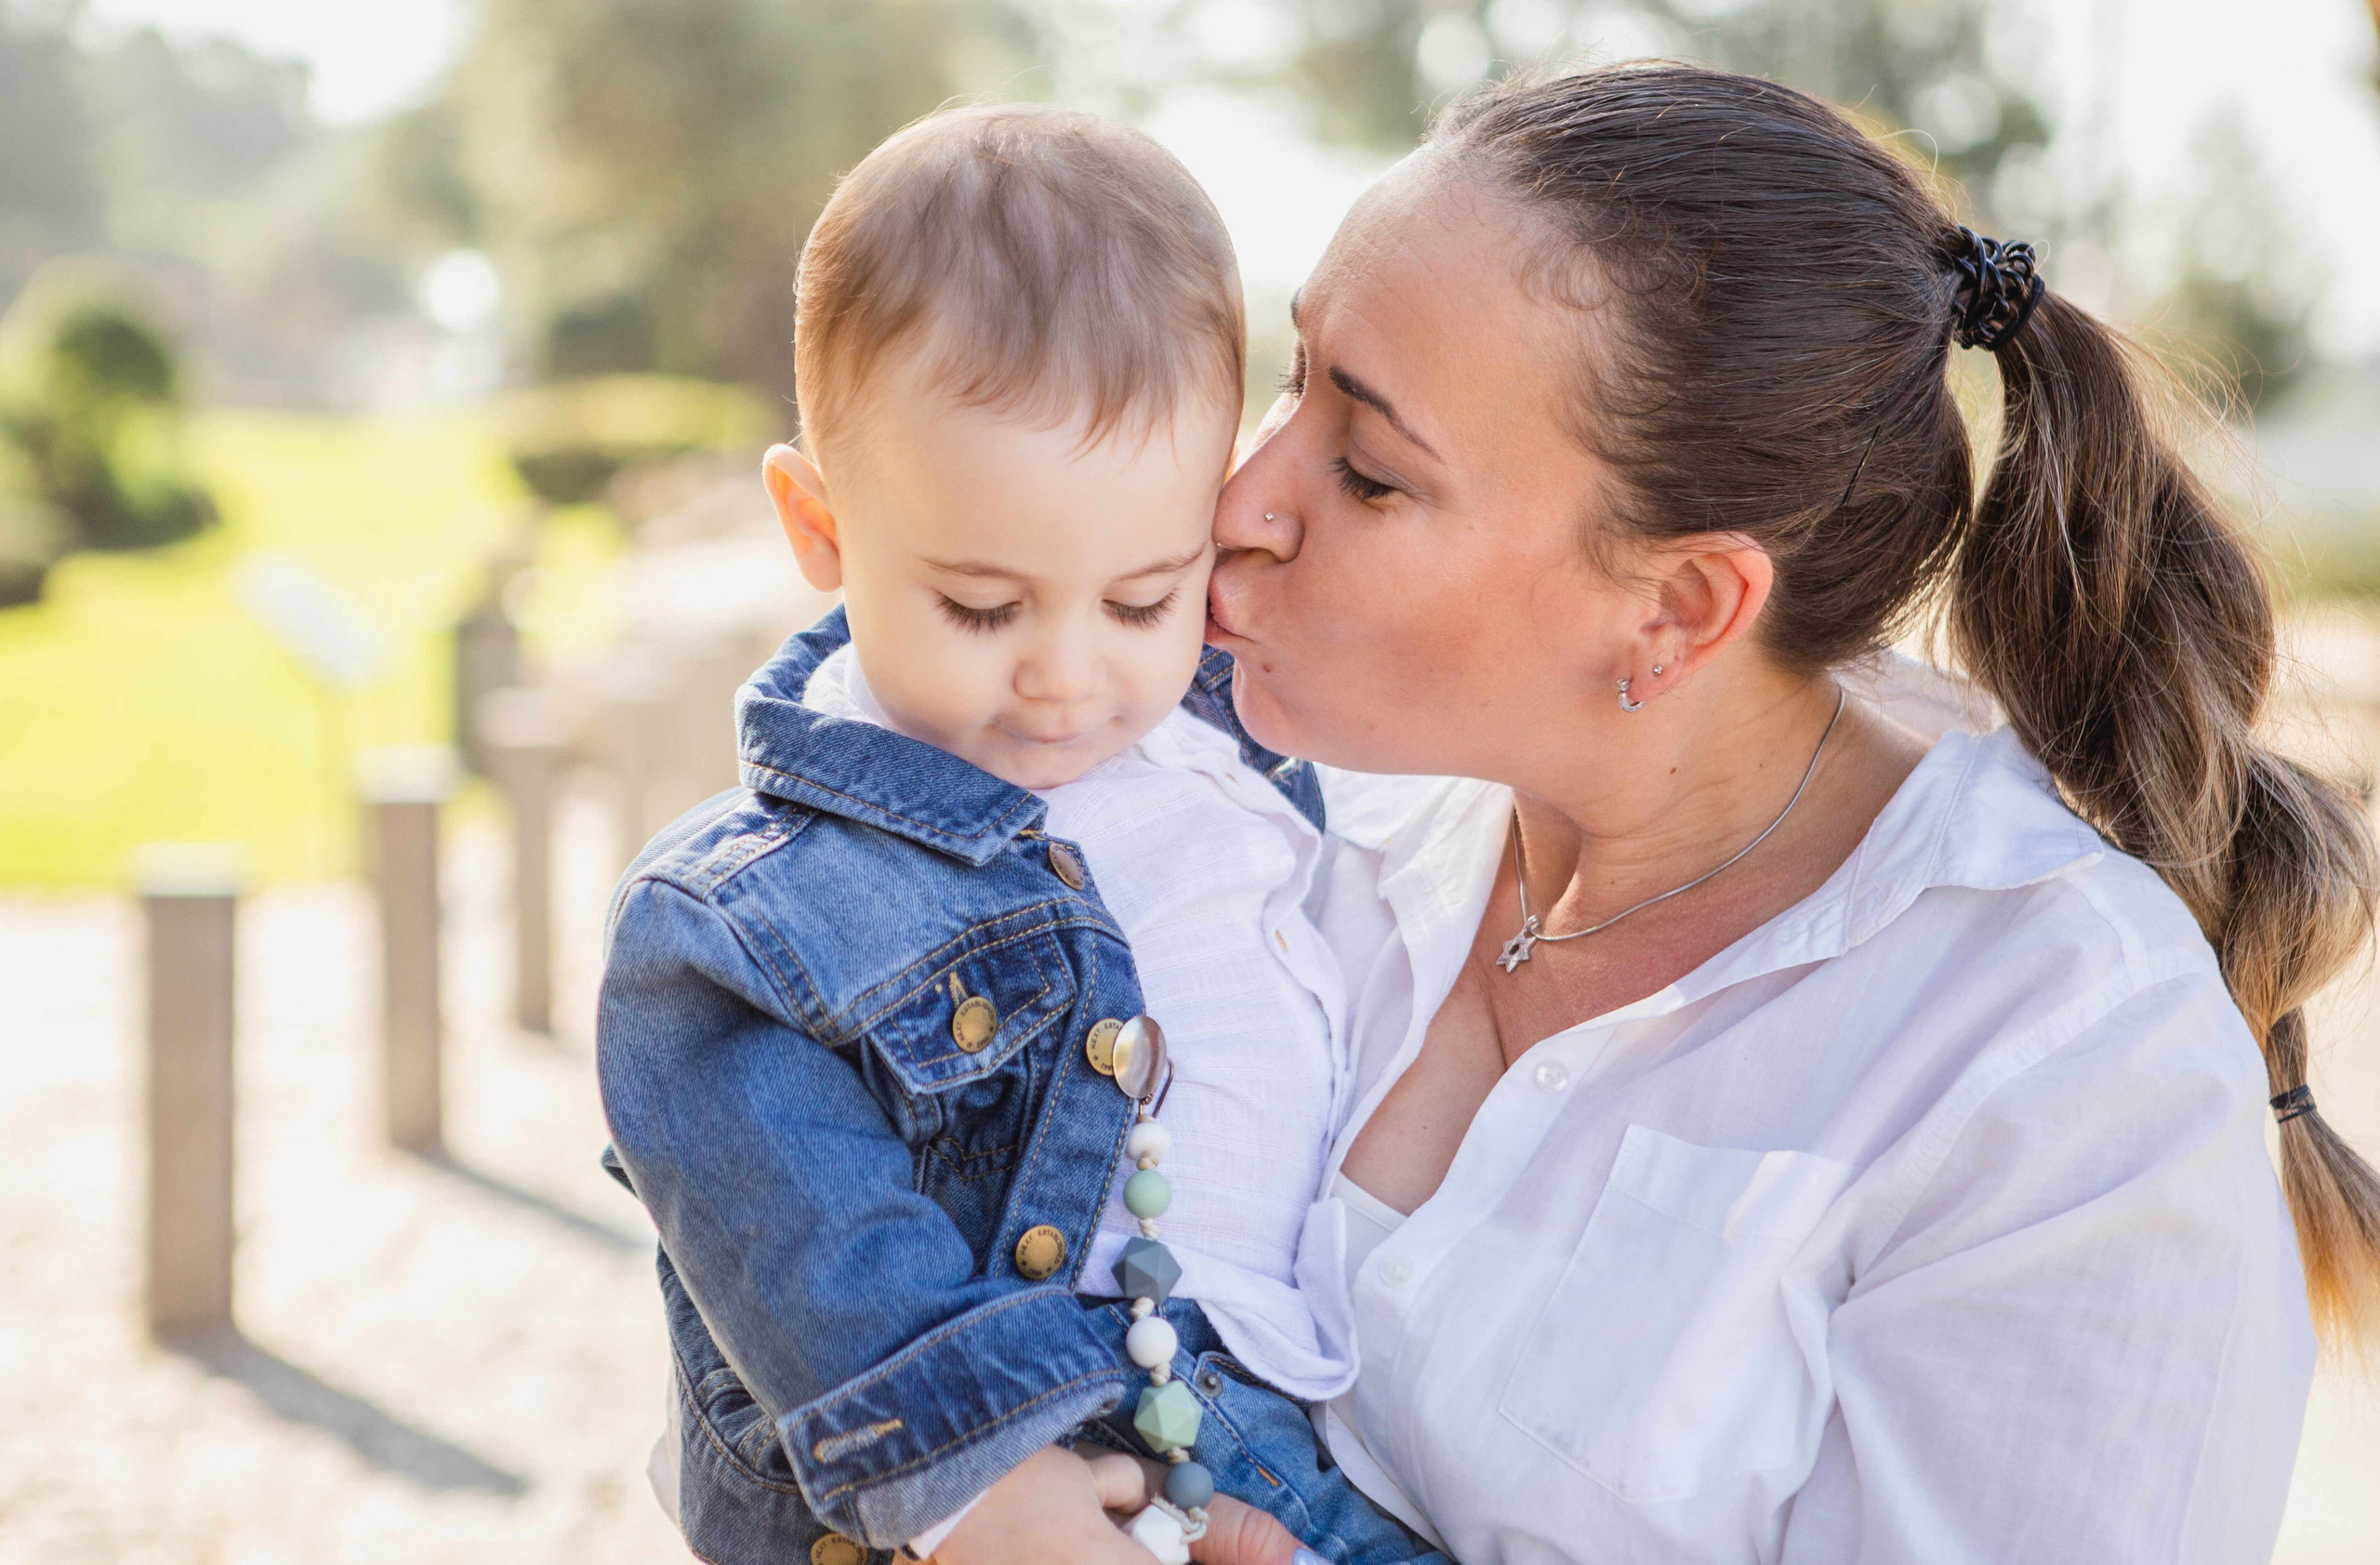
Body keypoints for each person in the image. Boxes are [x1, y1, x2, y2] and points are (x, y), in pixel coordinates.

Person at [1190, 63, 2380, 1565]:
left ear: (1681, 608)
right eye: (1291, 377)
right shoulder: (1265, 804)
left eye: (1366, 472)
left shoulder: (2064, 1066)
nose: (1240, 497)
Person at [596, 104, 1441, 1565]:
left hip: (1282, 1437)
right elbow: (805, 1236)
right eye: (982, 608)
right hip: (1053, 1459)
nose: (1066, 674)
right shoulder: (748, 921)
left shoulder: (1242, 743)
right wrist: (977, 1481)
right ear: (820, 526)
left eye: (1140, 599)